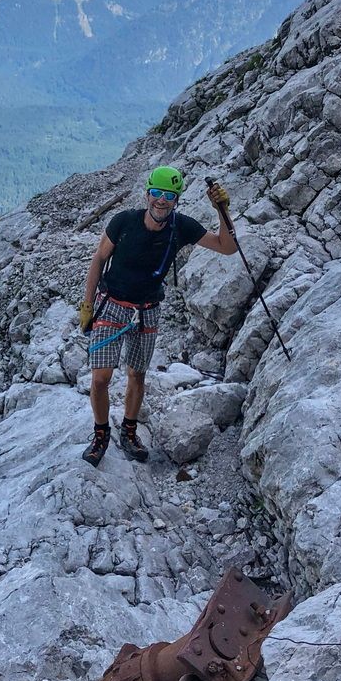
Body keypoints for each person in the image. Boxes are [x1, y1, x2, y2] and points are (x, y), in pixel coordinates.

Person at [78, 166, 236, 467]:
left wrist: (222, 209)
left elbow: (227, 247)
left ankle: (129, 430)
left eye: (169, 196)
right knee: (101, 378)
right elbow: (99, 258)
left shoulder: (183, 227)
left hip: (147, 309)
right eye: (157, 194)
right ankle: (101, 435)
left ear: (176, 199)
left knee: (137, 374)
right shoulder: (124, 221)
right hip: (111, 303)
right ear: (147, 194)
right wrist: (87, 304)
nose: (161, 201)